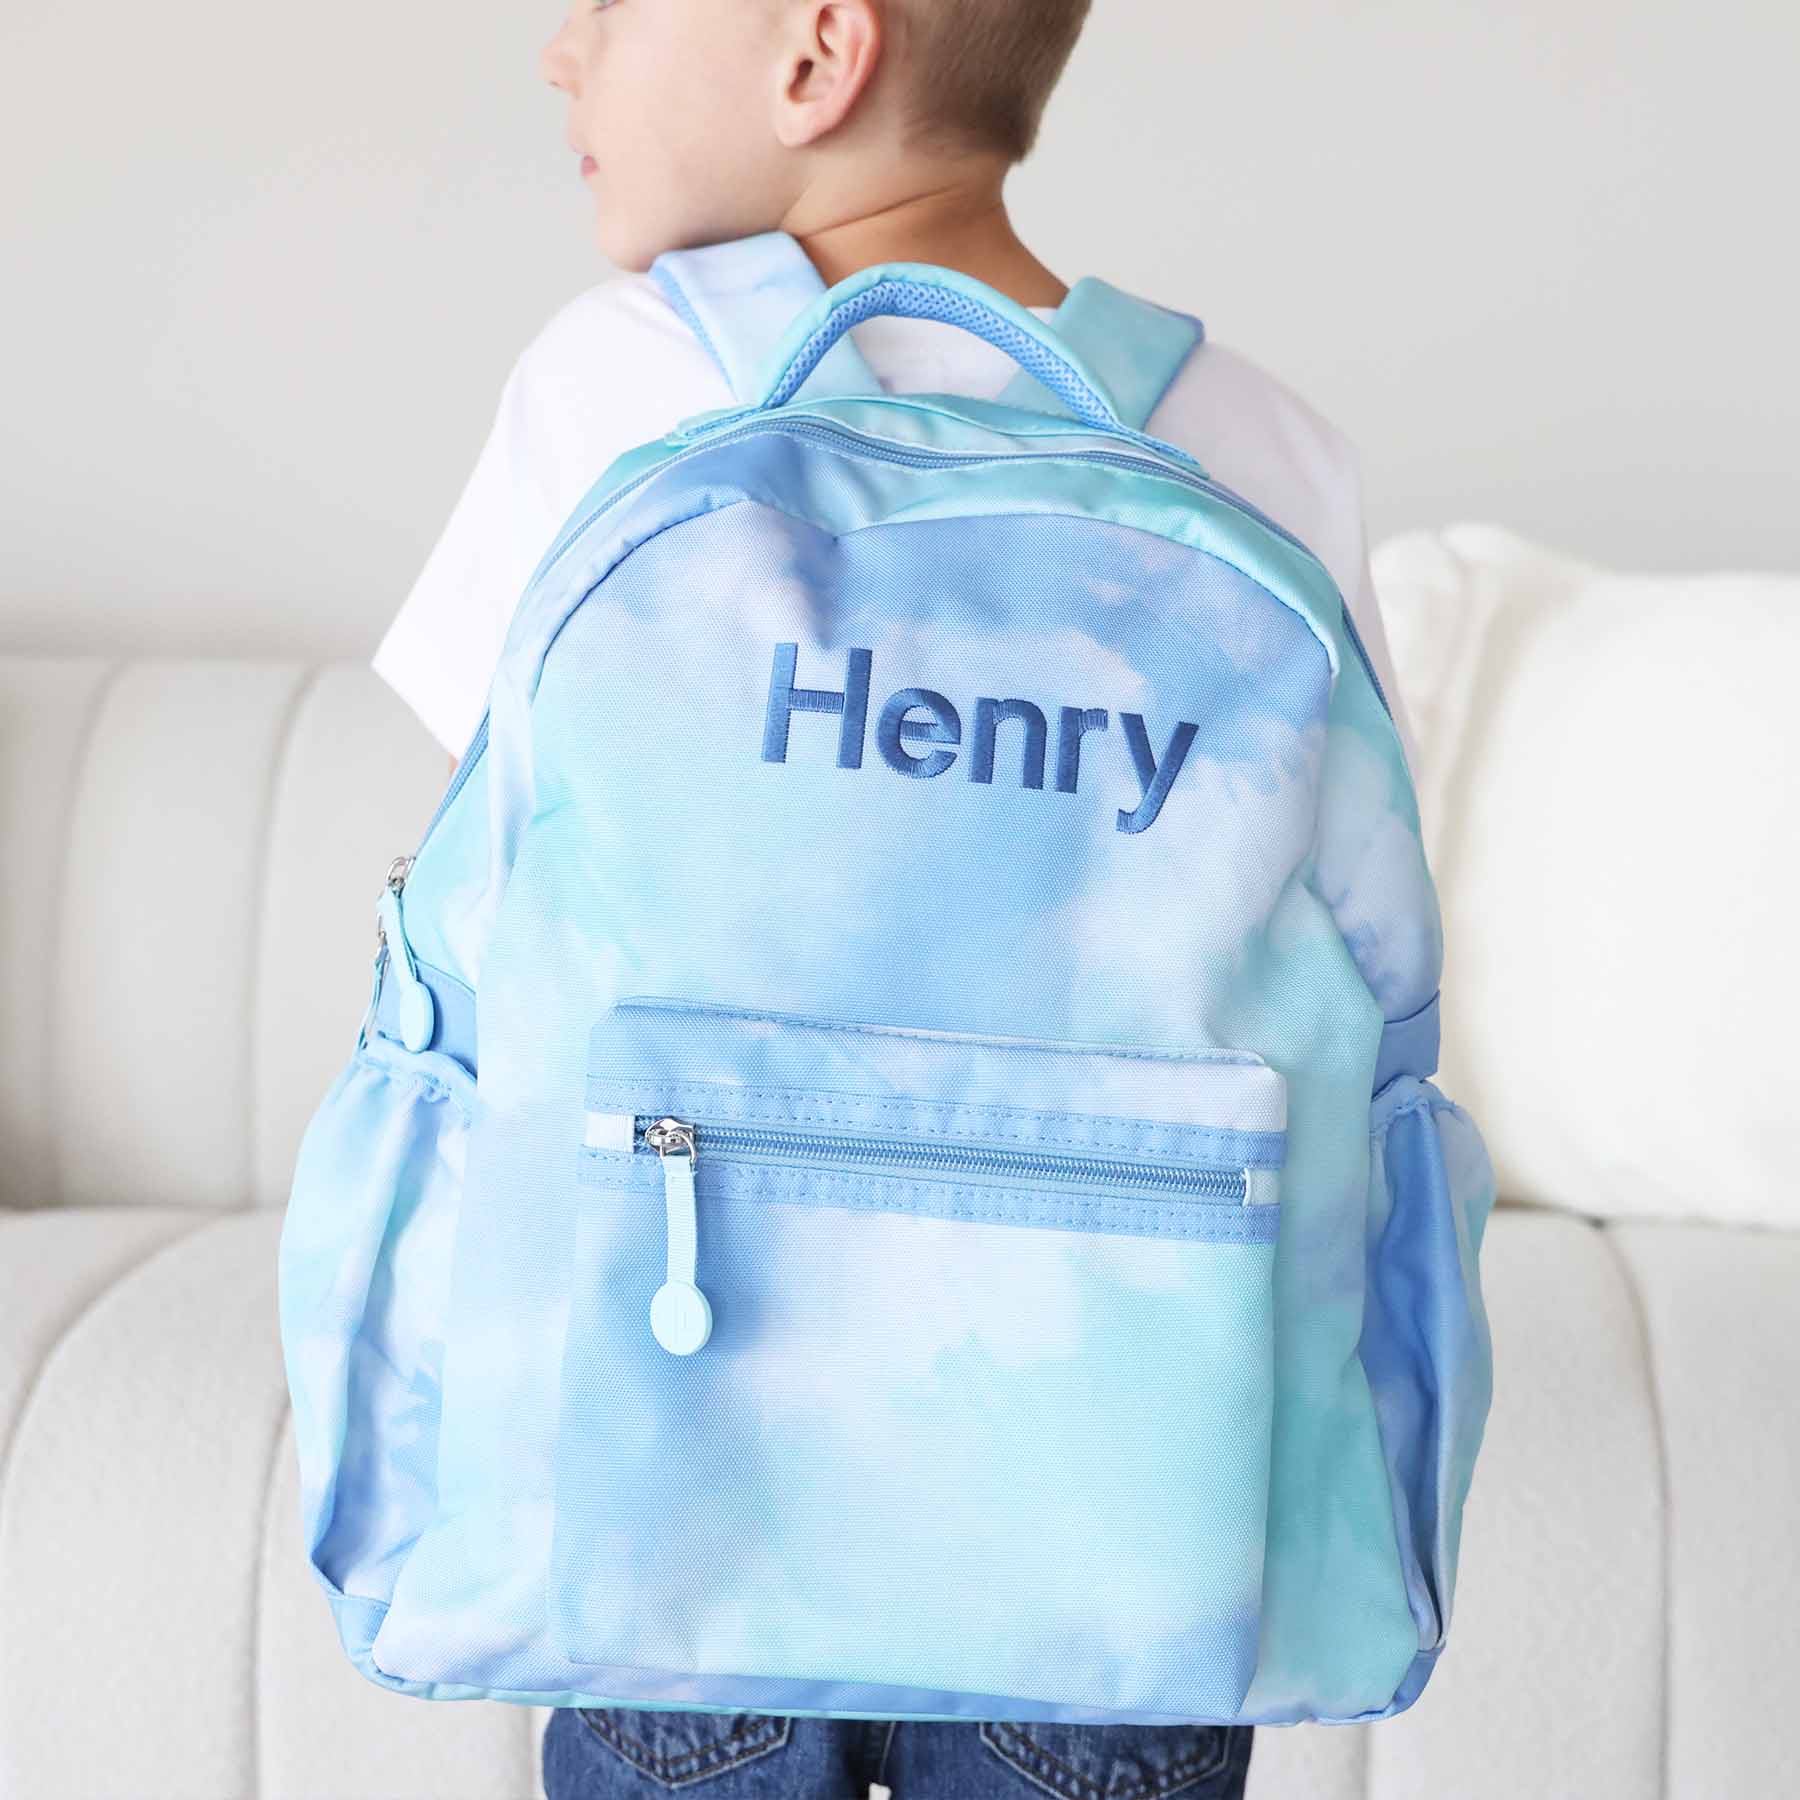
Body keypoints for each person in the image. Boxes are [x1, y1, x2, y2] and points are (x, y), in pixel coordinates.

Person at [371, 2, 1421, 1794]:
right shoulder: (1264, 443)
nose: (564, 49)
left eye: (613, 3)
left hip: (674, 1462)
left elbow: (500, 899)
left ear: (820, 56)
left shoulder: (614, 386)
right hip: (1124, 1510)